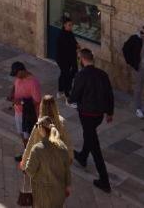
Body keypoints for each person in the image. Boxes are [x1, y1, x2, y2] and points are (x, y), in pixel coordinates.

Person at [69, 49, 114, 193]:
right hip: (98, 115)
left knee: (95, 147)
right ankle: (82, 156)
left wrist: (69, 98)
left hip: (87, 114)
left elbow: (75, 95)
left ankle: (104, 180)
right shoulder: (103, 74)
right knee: (89, 135)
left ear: (82, 59)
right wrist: (109, 112)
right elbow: (109, 95)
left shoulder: (81, 75)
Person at [23, 117, 73, 207]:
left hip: (42, 194)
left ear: (41, 128)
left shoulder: (37, 149)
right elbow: (67, 170)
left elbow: (29, 171)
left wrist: (27, 161)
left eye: (38, 126)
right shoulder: (63, 147)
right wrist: (68, 185)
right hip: (59, 193)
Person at [9, 61, 42, 161]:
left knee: (29, 136)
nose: (16, 77)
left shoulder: (33, 82)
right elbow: (15, 86)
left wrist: (21, 102)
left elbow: (37, 101)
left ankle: (32, 157)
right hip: (18, 112)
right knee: (22, 135)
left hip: (28, 115)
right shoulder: (19, 78)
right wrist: (12, 93)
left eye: (17, 74)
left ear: (22, 71)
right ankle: (27, 153)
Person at [55, 18, 80, 103]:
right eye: (69, 25)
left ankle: (61, 90)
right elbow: (67, 48)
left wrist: (77, 45)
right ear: (64, 25)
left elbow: (73, 42)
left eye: (71, 25)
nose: (71, 27)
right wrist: (75, 48)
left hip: (71, 58)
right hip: (63, 59)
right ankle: (67, 94)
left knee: (67, 73)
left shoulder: (70, 33)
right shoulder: (62, 36)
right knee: (66, 74)